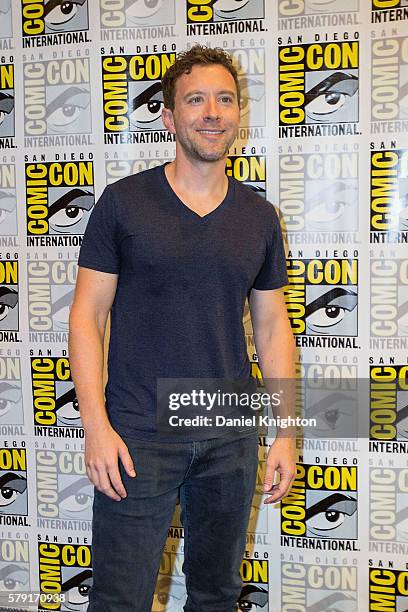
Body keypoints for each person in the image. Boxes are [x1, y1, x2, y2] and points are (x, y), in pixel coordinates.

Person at [68, 44, 296, 612]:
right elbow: (87, 316)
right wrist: (95, 424)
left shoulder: (259, 216)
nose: (212, 112)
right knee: (120, 599)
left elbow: (273, 328)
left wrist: (287, 431)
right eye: (195, 100)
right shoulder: (123, 204)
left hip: (230, 437)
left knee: (216, 596)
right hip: (137, 437)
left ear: (238, 114)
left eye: (224, 99)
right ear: (169, 117)